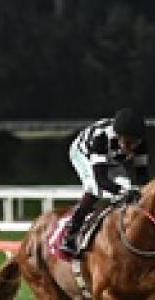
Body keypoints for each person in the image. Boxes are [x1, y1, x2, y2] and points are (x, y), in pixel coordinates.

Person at [59, 107, 149, 257]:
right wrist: (122, 191)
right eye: (128, 142)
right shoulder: (101, 138)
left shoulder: (140, 143)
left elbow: (142, 177)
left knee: (127, 185)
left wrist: (139, 192)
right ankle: (71, 232)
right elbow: (101, 180)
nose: (132, 148)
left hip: (111, 158)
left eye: (135, 143)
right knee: (94, 189)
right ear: (118, 136)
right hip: (83, 153)